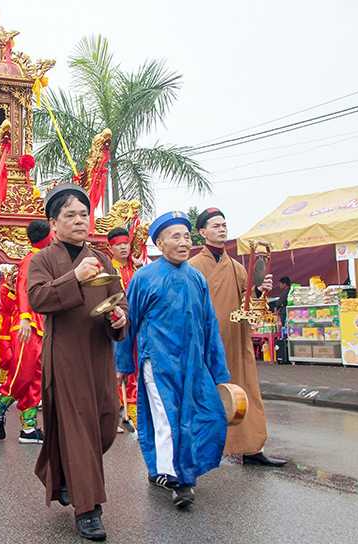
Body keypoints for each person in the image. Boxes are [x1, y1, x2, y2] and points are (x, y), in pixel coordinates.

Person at [27, 184, 128, 541]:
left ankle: (64, 473)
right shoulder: (42, 260)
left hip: (99, 352)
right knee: (78, 429)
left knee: (103, 424)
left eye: (84, 214)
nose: (79, 221)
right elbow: (38, 298)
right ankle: (89, 510)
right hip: (65, 355)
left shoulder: (101, 258)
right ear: (54, 223)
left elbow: (119, 298)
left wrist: (119, 318)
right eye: (70, 215)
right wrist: (74, 277)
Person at [116, 211, 232, 509]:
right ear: (160, 243)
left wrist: (218, 370)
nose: (184, 243)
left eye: (186, 236)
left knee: (205, 416)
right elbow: (129, 322)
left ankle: (168, 468)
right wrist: (122, 366)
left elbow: (209, 324)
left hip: (194, 363)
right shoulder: (143, 278)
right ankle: (179, 480)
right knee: (167, 417)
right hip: (157, 362)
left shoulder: (196, 277)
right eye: (176, 237)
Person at [189, 208, 286, 467]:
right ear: (202, 233)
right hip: (209, 343)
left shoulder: (236, 266)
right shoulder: (193, 267)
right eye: (215, 226)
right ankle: (203, 451)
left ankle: (252, 448)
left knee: (247, 391)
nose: (222, 229)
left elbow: (249, 298)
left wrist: (258, 289)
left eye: (224, 225)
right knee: (208, 396)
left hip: (237, 338)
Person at [0, 219, 52, 444]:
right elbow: (24, 289)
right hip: (28, 325)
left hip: (43, 325)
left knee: (37, 378)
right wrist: (25, 317)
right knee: (22, 375)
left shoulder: (46, 258)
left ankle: (29, 428)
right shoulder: (32, 259)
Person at [107, 226, 141, 431]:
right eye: (118, 245)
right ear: (111, 249)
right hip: (117, 326)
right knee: (116, 371)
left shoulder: (137, 269)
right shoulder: (107, 270)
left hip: (137, 326)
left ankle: (133, 414)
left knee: (135, 371)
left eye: (125, 244)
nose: (123, 248)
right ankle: (116, 412)